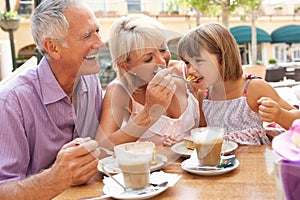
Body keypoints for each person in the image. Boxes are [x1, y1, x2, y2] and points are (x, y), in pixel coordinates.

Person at [0, 0, 104, 198]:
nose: (99, 42)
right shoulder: (11, 103)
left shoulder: (91, 81)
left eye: (97, 31)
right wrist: (56, 178)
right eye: (87, 35)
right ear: (53, 48)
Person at [177, 22, 299, 145]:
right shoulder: (204, 95)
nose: (191, 70)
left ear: (223, 57)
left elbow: (297, 122)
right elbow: (202, 133)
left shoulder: (253, 88)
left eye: (199, 60)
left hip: (255, 162)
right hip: (219, 163)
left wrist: (279, 115)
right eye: (187, 63)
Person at [96, 14, 200, 149]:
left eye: (163, 49)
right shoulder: (120, 90)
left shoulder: (185, 71)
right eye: (148, 59)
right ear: (127, 67)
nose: (162, 61)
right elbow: (101, 149)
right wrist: (149, 112)